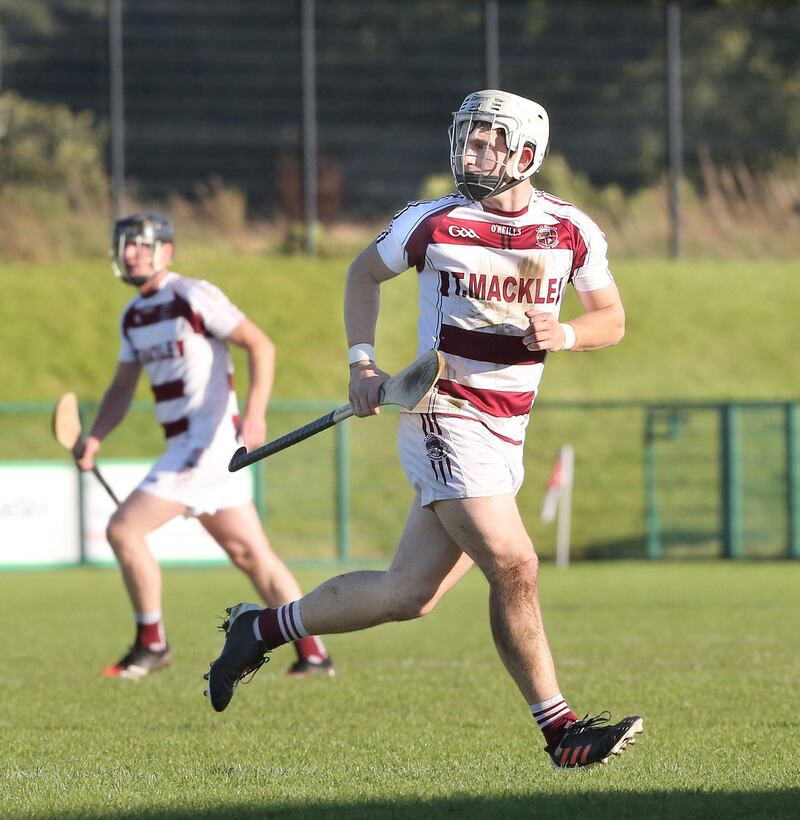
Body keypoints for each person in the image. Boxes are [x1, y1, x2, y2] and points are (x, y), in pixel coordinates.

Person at [204, 91, 643, 769]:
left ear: (525, 153)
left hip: (507, 430)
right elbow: (361, 274)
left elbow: (611, 317)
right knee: (516, 564)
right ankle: (561, 733)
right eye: (464, 139)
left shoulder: (571, 230)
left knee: (408, 595)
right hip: (444, 415)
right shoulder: (432, 223)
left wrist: (569, 333)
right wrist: (362, 361)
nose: (467, 153)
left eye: (484, 143)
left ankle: (259, 627)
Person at [74, 212, 334, 680]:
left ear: (166, 251)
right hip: (190, 449)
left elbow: (260, 345)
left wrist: (255, 412)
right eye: (124, 244)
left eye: (140, 244)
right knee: (253, 556)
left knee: (123, 530)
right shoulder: (133, 317)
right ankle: (314, 656)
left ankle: (152, 644)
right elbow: (120, 389)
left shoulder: (192, 295)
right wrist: (94, 435)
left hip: (209, 447)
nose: (129, 252)